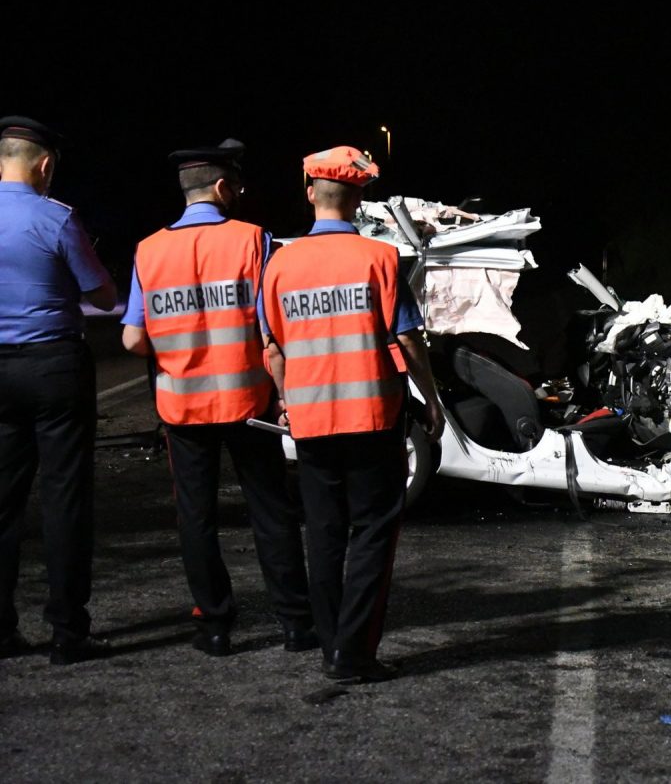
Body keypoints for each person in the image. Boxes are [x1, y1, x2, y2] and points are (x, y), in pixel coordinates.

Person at [121, 139, 315, 657]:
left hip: (183, 409)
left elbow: (133, 339)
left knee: (197, 517)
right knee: (271, 511)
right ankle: (296, 622)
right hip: (249, 405)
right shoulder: (254, 240)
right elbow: (274, 325)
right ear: (224, 186)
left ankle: (213, 624)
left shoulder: (149, 249)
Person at [261, 145, 442, 683]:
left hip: (312, 424)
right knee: (372, 533)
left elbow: (273, 350)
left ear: (310, 193)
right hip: (372, 419)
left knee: (323, 531)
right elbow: (407, 340)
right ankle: (353, 653)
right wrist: (430, 399)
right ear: (359, 199)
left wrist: (289, 399)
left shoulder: (278, 264)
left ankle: (329, 646)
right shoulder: (380, 259)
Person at [0, 115, 117, 664]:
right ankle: (68, 631)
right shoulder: (56, 219)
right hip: (54, 365)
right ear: (44, 165)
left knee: (3, 502)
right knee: (65, 498)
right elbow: (100, 289)